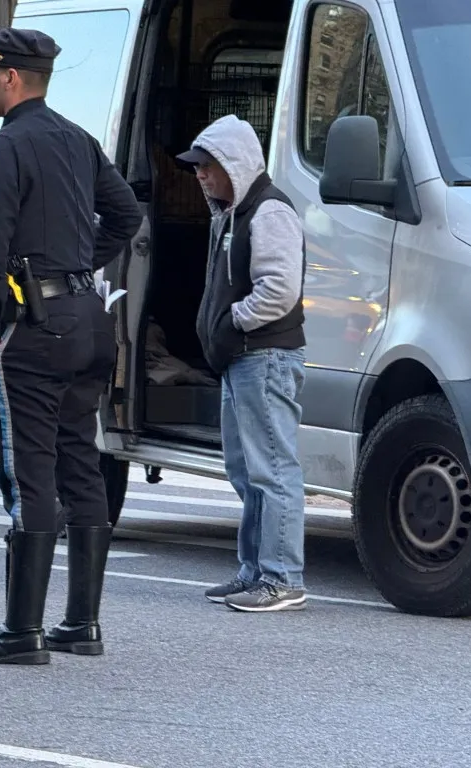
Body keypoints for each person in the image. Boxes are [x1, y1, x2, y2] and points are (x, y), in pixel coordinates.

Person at [0, 28, 142, 665]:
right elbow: (126, 215)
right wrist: (74, 267)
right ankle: (81, 623)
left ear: (11, 79)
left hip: (31, 325)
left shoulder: (5, 148)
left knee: (29, 469)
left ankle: (20, 631)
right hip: (88, 314)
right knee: (79, 463)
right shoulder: (78, 139)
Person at [176, 114, 308, 613]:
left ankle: (280, 577)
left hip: (264, 355)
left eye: (208, 166)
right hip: (246, 357)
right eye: (197, 168)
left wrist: (232, 321)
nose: (200, 175)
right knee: (247, 469)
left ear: (235, 164)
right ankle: (255, 570)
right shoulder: (235, 212)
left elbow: (279, 289)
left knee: (271, 469)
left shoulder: (267, 212)